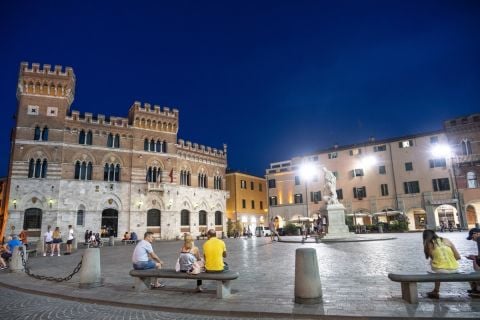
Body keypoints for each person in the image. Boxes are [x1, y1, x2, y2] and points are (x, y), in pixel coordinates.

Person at [422, 229, 461, 299]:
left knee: (433, 264)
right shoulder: (447, 240)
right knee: (438, 265)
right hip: (455, 269)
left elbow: (432, 258)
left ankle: (436, 290)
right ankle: (435, 290)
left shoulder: (428, 244)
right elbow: (458, 257)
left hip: (440, 270)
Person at [466, 228, 480, 297]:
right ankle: (476, 289)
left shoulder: (479, 239)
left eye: (472, 237)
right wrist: (475, 257)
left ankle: (478, 290)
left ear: (476, 233)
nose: (472, 239)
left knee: (473, 274)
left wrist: (474, 258)